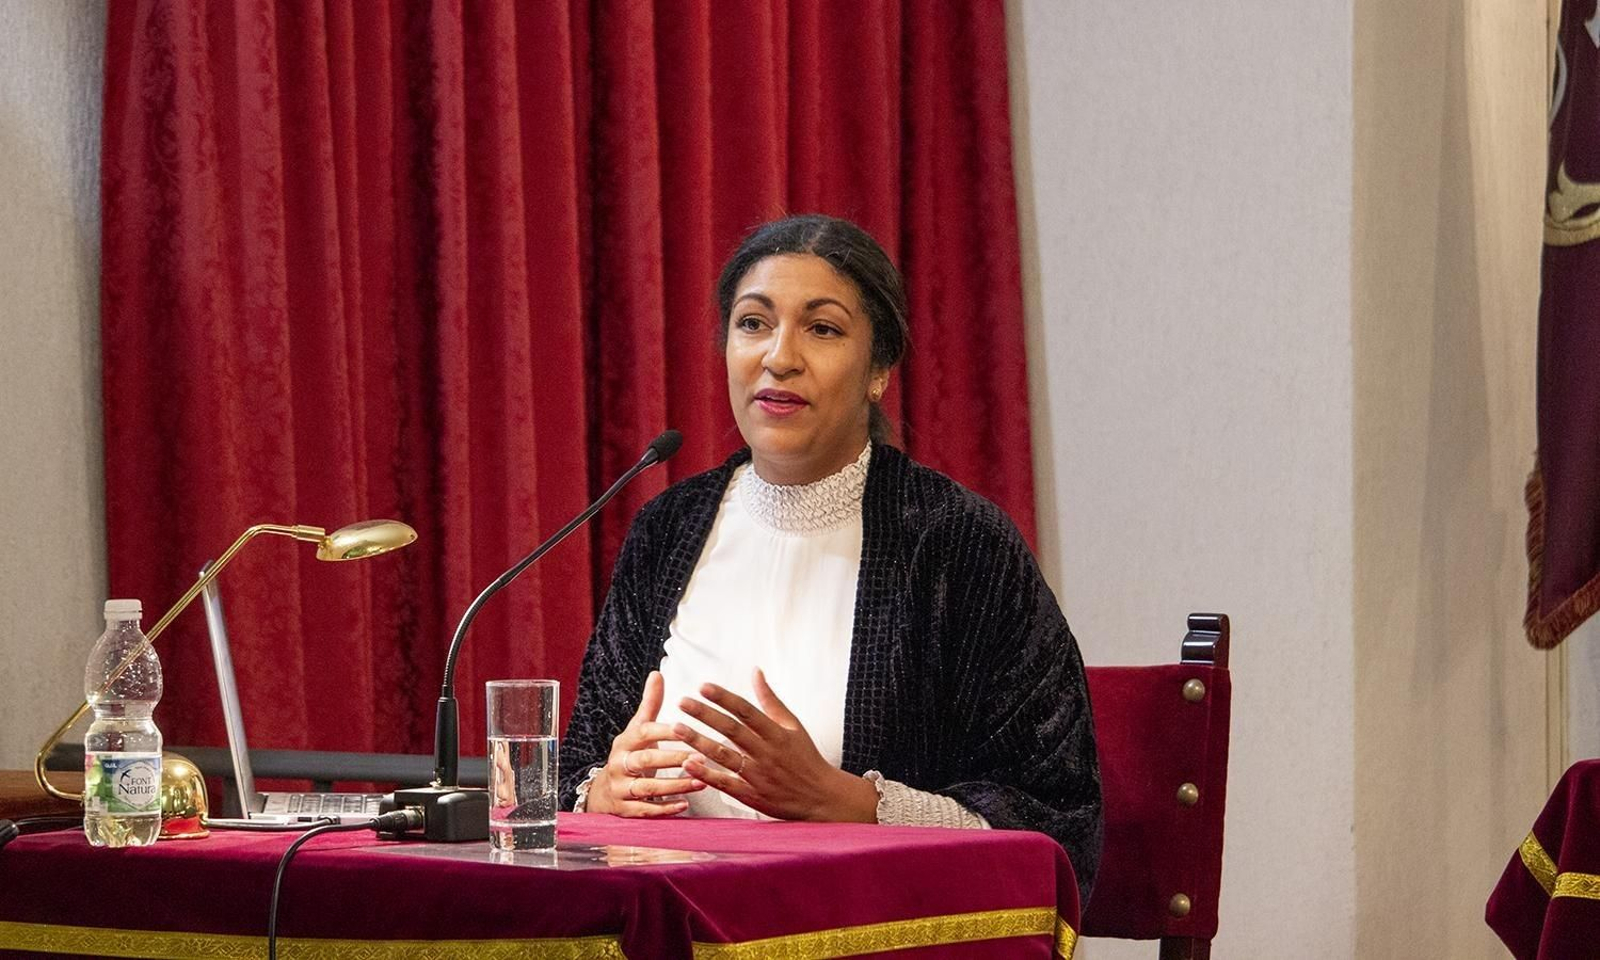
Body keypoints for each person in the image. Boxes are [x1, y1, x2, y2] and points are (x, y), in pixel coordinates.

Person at [559, 214, 1103, 901]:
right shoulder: (667, 530)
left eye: (822, 328)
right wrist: (604, 790)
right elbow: (576, 767)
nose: (779, 356)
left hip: (860, 927)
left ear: (879, 370)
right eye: (753, 323)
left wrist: (845, 802)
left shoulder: (958, 543)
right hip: (664, 920)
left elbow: (1054, 817)